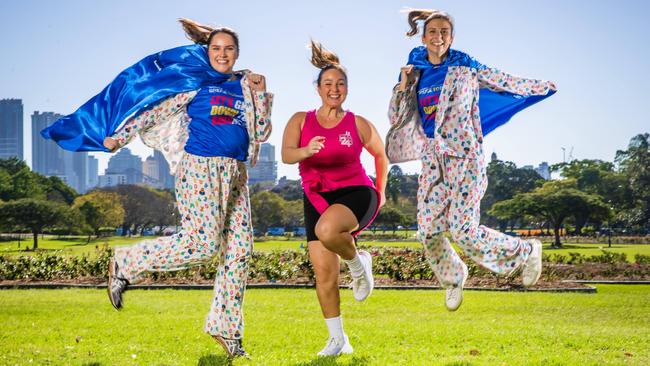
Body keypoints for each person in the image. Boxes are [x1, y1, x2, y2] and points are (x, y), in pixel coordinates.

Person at [42, 18, 273, 358]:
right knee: (203, 244)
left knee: (238, 252)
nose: (222, 54)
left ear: (237, 53)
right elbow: (152, 112)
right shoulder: (194, 85)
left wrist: (262, 93)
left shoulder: (248, 88)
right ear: (207, 52)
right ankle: (126, 263)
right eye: (216, 49)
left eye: (228, 49)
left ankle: (227, 331)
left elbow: (263, 131)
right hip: (200, 170)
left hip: (236, 174)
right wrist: (119, 138)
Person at [386, 9, 556, 312]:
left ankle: (526, 251)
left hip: (465, 157)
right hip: (433, 160)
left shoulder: (466, 66)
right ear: (424, 37)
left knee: (464, 230)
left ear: (451, 38)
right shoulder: (416, 72)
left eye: (444, 32)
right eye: (433, 32)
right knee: (428, 230)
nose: (438, 37)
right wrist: (402, 84)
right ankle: (453, 278)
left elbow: (503, 80)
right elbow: (396, 117)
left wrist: (539, 87)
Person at [281, 41, 388, 356]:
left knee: (328, 232)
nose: (334, 88)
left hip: (356, 192)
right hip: (316, 195)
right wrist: (306, 151)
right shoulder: (300, 120)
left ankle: (358, 264)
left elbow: (380, 155)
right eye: (328, 83)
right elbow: (288, 155)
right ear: (317, 88)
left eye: (340, 84)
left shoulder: (357, 123)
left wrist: (381, 192)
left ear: (347, 89)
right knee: (324, 274)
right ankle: (338, 340)